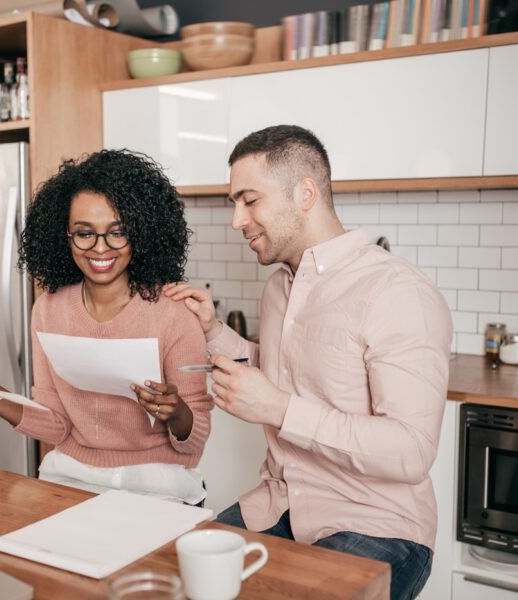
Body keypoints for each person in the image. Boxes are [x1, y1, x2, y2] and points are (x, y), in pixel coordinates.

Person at [164, 125, 452, 599]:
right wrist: (212, 331)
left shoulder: (398, 292)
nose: (237, 220)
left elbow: (411, 450)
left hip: (374, 524)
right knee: (179, 582)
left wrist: (277, 408)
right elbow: (283, 372)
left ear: (304, 193)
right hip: (276, 507)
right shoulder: (279, 286)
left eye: (249, 200)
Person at [0, 149, 213, 505]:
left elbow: (195, 437)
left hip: (158, 485)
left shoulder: (173, 314)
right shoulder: (49, 310)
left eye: (117, 233)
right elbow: (56, 425)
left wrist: (176, 412)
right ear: (65, 235)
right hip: (71, 477)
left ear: (141, 233)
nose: (100, 248)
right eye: (85, 233)